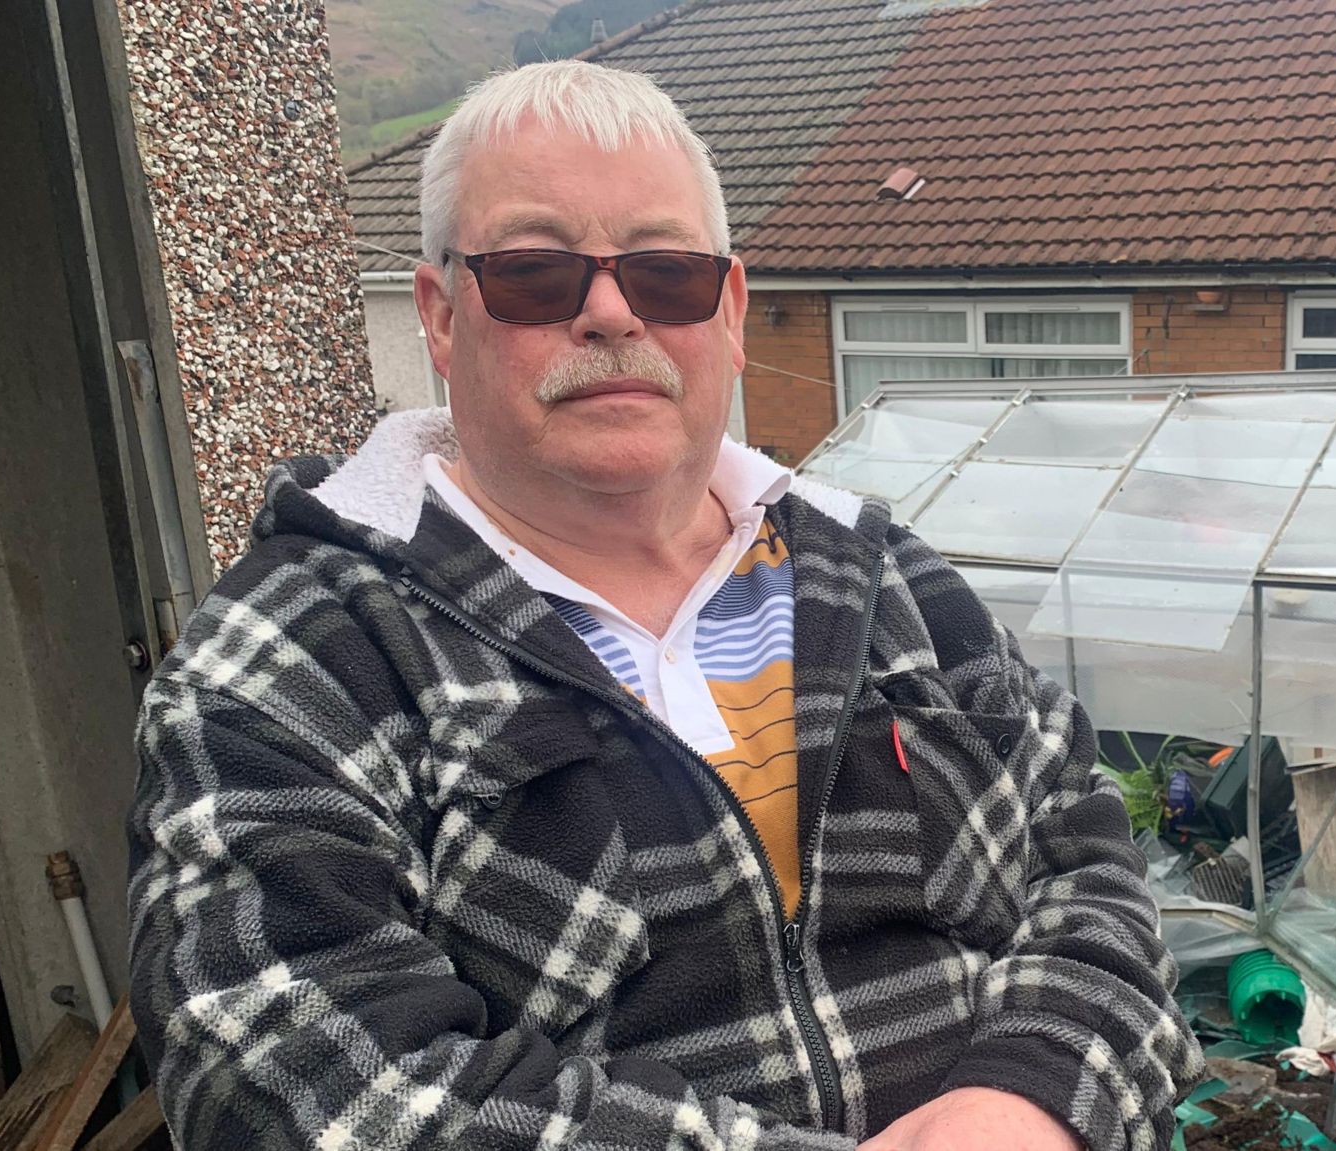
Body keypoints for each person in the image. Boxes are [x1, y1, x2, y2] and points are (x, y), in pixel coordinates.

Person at [126, 61, 1201, 1150]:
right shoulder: (294, 663)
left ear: (728, 312)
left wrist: (1029, 1099)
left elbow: (1089, 866)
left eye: (666, 271)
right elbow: (288, 1072)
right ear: (441, 316)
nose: (609, 310)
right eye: (538, 274)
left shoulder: (887, 582)